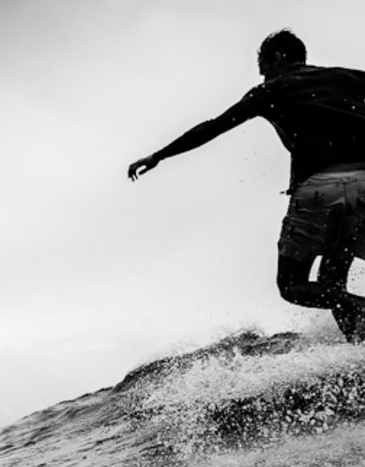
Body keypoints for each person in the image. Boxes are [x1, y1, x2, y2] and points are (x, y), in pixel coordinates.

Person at [128, 29, 365, 342]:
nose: (264, 76)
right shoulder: (350, 77)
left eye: (264, 68)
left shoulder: (272, 89)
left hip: (319, 189)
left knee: (291, 285)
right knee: (332, 282)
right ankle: (358, 351)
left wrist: (159, 155)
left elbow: (214, 126)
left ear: (277, 58)